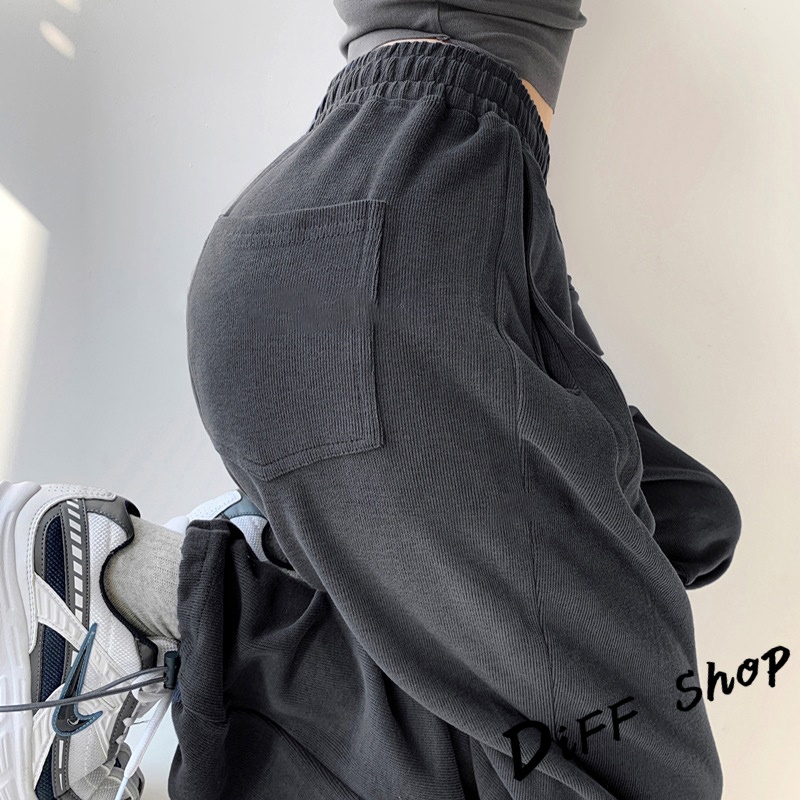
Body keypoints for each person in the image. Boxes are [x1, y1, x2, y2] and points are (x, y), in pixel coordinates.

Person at [0, 3, 742, 799]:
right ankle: (208, 598)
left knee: (665, 585)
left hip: (360, 271)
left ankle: (187, 592)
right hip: (380, 282)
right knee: (597, 730)